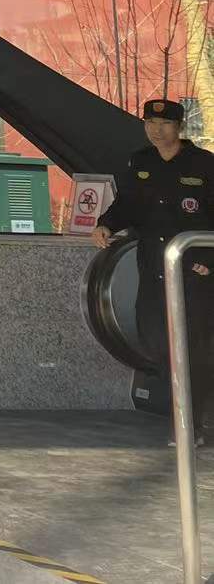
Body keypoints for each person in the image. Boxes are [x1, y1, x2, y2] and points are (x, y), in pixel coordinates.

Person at [93, 98, 214, 445]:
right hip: (154, 267)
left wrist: (210, 261)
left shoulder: (204, 164)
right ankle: (188, 415)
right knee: (155, 341)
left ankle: (191, 424)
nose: (156, 130)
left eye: (164, 124)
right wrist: (106, 223)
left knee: (193, 347)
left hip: (194, 270)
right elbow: (128, 204)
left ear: (179, 127)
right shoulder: (141, 162)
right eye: (150, 123)